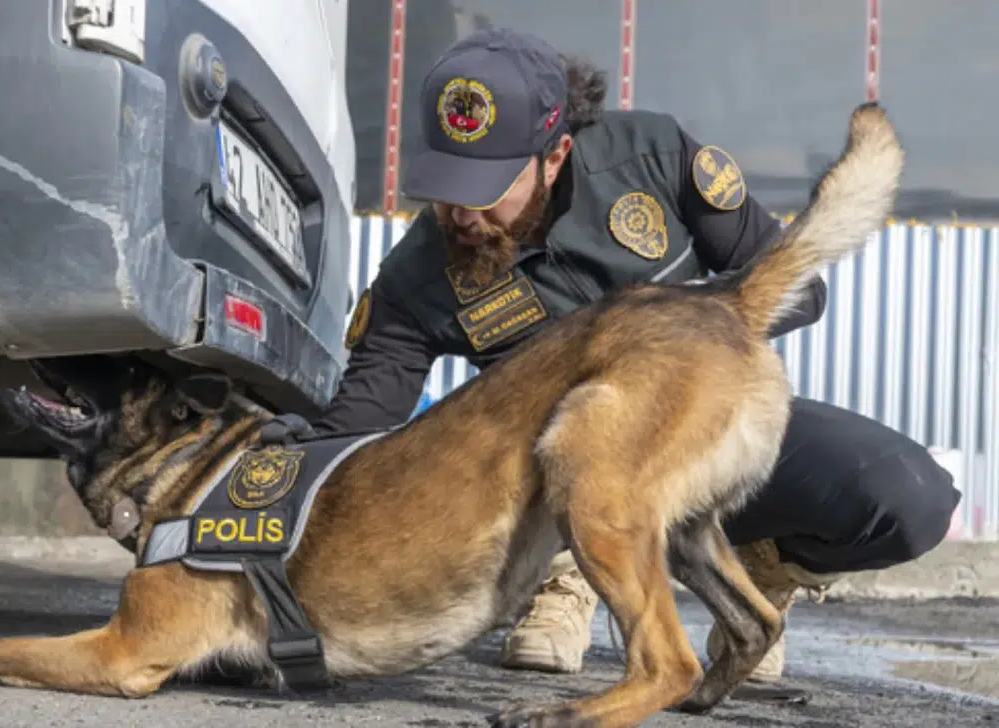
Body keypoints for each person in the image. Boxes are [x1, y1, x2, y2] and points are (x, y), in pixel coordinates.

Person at [262, 28, 961, 682]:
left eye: (484, 192)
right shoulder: (416, 278)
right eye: (444, 190)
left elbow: (799, 292)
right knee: (566, 456)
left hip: (697, 438)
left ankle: (761, 568)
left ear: (555, 154)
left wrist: (661, 338)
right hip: (562, 491)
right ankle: (564, 574)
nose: (462, 217)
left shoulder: (654, 160)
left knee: (905, 497)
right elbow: (357, 435)